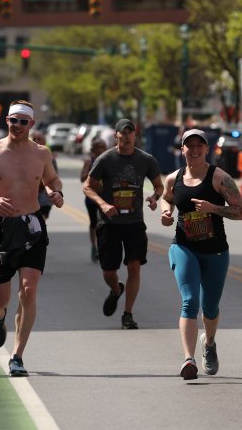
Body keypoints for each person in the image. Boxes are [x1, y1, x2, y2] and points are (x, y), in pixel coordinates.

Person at [0, 99, 63, 378]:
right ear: (6, 121)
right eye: (12, 120)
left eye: (22, 121)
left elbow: (53, 180)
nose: (16, 126)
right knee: (1, 297)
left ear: (31, 124)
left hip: (31, 226)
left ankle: (17, 356)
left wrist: (57, 192)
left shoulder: (42, 154)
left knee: (29, 290)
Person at [160, 127, 242, 380]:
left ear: (207, 149)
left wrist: (213, 208)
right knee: (189, 302)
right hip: (184, 247)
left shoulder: (220, 178)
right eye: (190, 145)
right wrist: (166, 213)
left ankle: (208, 342)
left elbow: (241, 212)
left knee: (210, 308)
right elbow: (167, 198)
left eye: (200, 146)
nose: (195, 150)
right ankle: (189, 359)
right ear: (182, 149)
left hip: (216, 251)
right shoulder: (173, 178)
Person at [83, 118, 163, 330]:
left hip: (134, 221)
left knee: (134, 266)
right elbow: (88, 187)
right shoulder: (105, 159)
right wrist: (102, 204)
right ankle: (116, 290)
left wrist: (155, 198)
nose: (127, 136)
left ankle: (128, 314)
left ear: (135, 135)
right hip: (109, 222)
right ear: (116, 135)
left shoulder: (146, 160)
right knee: (109, 271)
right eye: (123, 133)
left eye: (130, 133)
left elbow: (159, 186)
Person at [80, 137, 107, 262]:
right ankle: (94, 247)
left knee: (105, 223)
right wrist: (93, 170)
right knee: (94, 222)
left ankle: (103, 247)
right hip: (91, 197)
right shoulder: (89, 161)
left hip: (105, 197)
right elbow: (82, 178)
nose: (101, 149)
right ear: (93, 149)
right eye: (98, 147)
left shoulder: (109, 160)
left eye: (103, 147)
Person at [31, 131, 59, 220]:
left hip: (44, 198)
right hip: (28, 198)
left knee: (40, 222)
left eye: (39, 139)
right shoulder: (24, 156)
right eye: (34, 139)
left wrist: (57, 192)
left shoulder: (49, 158)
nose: (36, 141)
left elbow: (54, 178)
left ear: (44, 142)